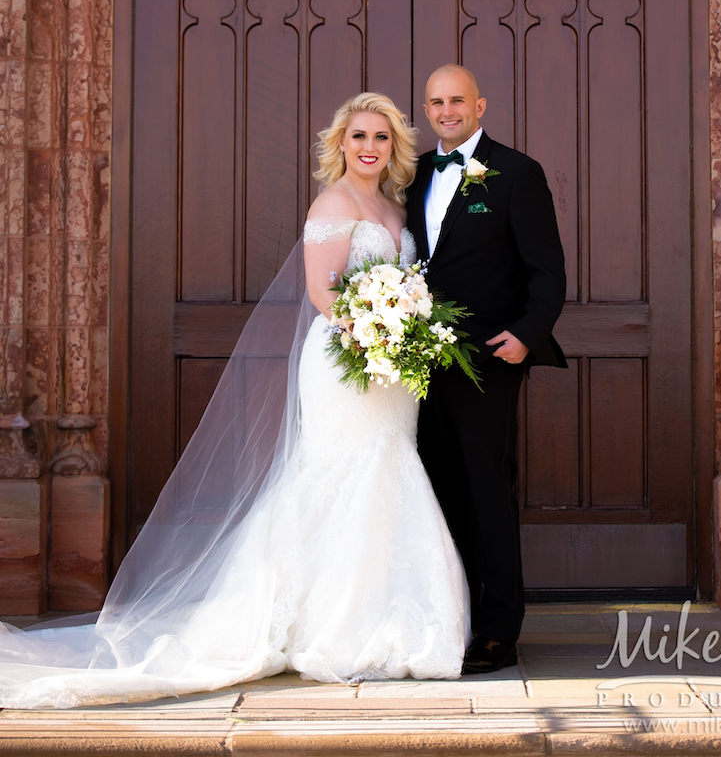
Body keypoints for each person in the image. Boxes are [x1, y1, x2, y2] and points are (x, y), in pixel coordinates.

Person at [0, 93, 467, 709]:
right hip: (343, 360)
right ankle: (319, 625)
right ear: (341, 144)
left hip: (389, 369)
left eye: (380, 138)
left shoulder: (393, 205)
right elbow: (324, 294)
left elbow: (403, 283)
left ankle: (384, 617)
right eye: (358, 137)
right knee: (337, 474)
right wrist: (375, 332)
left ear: (393, 147)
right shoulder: (332, 203)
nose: (369, 148)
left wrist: (402, 337)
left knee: (389, 469)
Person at [407, 65, 566, 676]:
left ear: (480, 105)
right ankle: (452, 618)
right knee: (439, 493)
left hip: (489, 361)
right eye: (435, 102)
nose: (446, 111)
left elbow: (546, 270)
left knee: (487, 492)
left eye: (457, 101)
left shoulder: (517, 173)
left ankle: (499, 630)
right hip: (421, 364)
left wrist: (526, 336)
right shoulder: (416, 173)